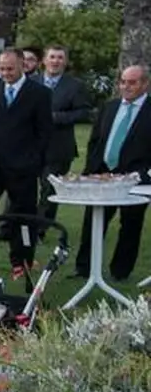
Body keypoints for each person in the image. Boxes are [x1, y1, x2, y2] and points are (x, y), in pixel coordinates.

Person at [0, 49, 54, 273]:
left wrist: (33, 159)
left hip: (22, 166)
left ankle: (21, 260)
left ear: (23, 66)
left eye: (10, 69)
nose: (5, 73)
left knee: (23, 215)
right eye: (2, 68)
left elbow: (44, 132)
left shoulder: (39, 93)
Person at [75, 63, 150, 280]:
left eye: (132, 82)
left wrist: (144, 175)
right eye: (123, 82)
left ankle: (120, 271)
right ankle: (84, 268)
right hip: (103, 175)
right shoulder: (110, 107)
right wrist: (91, 171)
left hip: (136, 179)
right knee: (93, 221)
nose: (126, 87)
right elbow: (96, 141)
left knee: (130, 225)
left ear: (145, 84)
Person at [38, 46, 95, 221]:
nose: (55, 61)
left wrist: (57, 117)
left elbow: (84, 112)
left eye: (60, 58)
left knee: (49, 188)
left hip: (59, 147)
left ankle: (40, 227)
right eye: (52, 57)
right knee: (18, 186)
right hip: (30, 145)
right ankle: (9, 227)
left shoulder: (75, 86)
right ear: (44, 60)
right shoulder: (31, 82)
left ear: (65, 62)